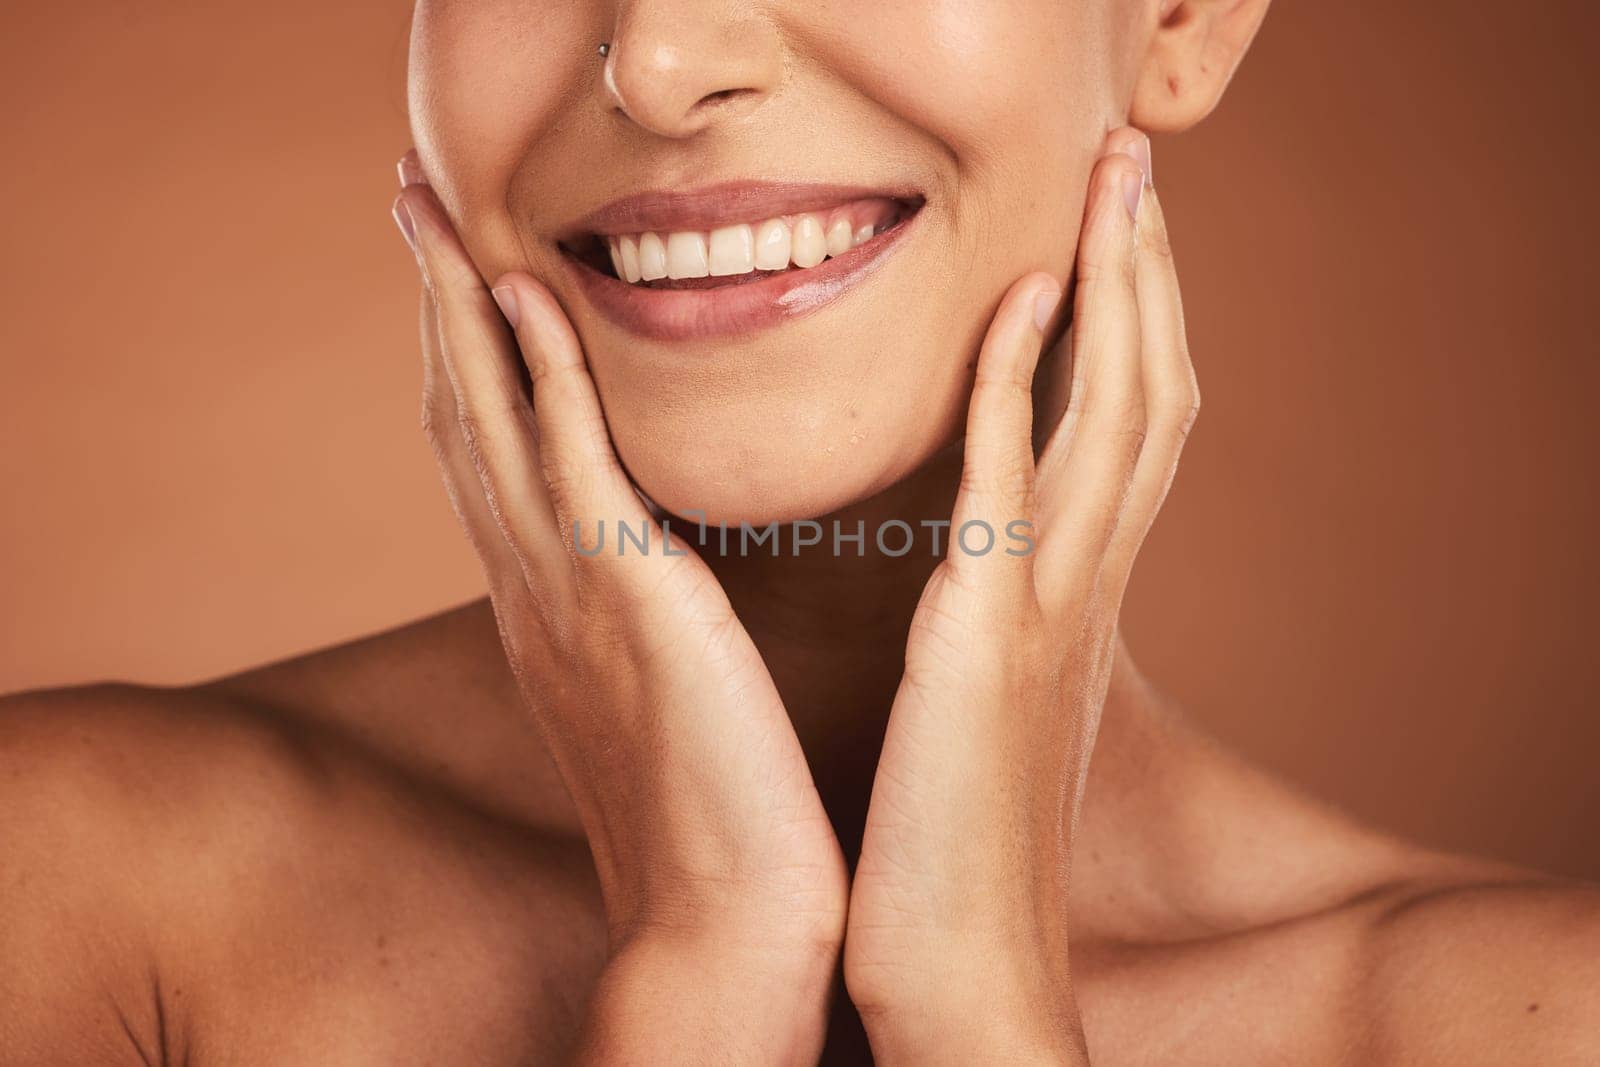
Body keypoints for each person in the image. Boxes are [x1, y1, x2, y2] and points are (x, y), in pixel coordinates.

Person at [3, 1, 1597, 1063]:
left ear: (1180, 12)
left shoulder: (1524, 1021)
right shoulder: (73, 899)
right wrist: (701, 979)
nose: (659, 56)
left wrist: (980, 1007)